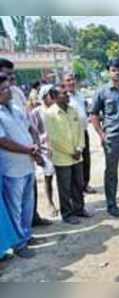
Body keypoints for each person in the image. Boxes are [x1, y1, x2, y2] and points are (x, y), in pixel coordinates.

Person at [0, 72, 42, 258]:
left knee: (27, 204)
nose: (8, 91)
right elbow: (2, 141)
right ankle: (19, 244)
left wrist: (36, 146)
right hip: (12, 168)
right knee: (15, 207)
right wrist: (28, 149)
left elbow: (29, 128)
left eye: (7, 87)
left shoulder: (15, 108)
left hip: (27, 164)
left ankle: (27, 235)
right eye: (3, 89)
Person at [91, 58, 119, 218]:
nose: (116, 73)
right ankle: (111, 203)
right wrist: (101, 134)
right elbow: (94, 115)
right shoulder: (102, 92)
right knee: (111, 171)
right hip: (112, 136)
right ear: (109, 72)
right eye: (113, 70)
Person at [46, 84, 91, 225]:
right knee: (65, 187)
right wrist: (72, 152)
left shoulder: (73, 110)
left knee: (78, 183)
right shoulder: (50, 114)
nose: (67, 95)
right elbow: (54, 139)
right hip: (62, 157)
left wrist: (79, 148)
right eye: (63, 93)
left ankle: (79, 209)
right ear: (54, 98)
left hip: (77, 155)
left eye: (66, 93)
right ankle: (67, 214)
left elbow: (80, 131)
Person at [63, 72, 96, 194]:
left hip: (83, 131)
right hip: (71, 135)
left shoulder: (80, 95)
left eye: (72, 80)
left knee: (86, 159)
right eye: (68, 80)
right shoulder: (64, 98)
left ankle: (85, 184)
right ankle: (77, 188)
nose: (71, 82)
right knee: (76, 161)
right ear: (64, 83)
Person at [30, 85, 58, 217]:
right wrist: (38, 150)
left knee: (64, 176)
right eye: (50, 94)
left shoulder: (57, 109)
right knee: (48, 177)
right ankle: (50, 202)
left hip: (58, 148)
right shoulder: (36, 112)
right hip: (44, 149)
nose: (53, 97)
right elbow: (33, 131)